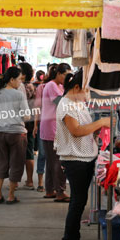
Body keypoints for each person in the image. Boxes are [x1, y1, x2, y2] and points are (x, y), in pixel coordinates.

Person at [55, 70, 111, 240]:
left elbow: (84, 130)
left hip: (85, 158)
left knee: (79, 203)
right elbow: (76, 131)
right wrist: (100, 123)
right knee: (77, 203)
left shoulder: (78, 103)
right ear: (77, 87)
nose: (88, 95)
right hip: (75, 160)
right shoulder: (66, 105)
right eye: (86, 90)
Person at [0, 66, 31, 205]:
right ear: (12, 79)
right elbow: (26, 116)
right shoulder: (18, 94)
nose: (20, 83)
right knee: (16, 164)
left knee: (1, 163)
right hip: (16, 133)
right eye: (19, 80)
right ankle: (11, 196)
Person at [40, 63, 72, 202]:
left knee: (51, 161)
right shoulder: (52, 85)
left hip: (51, 126)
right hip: (52, 127)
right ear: (59, 73)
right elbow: (61, 102)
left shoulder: (58, 86)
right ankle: (60, 191)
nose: (67, 78)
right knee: (58, 161)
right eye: (65, 75)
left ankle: (50, 190)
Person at [32, 64, 57, 192]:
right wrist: (36, 125)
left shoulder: (62, 87)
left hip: (58, 126)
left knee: (55, 156)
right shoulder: (42, 87)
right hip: (45, 125)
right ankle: (41, 181)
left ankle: (51, 184)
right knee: (42, 154)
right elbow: (37, 107)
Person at [18, 62, 36, 190]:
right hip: (28, 124)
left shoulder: (24, 87)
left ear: (23, 74)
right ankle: (28, 180)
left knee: (24, 153)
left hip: (24, 124)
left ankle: (28, 180)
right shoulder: (30, 86)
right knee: (27, 152)